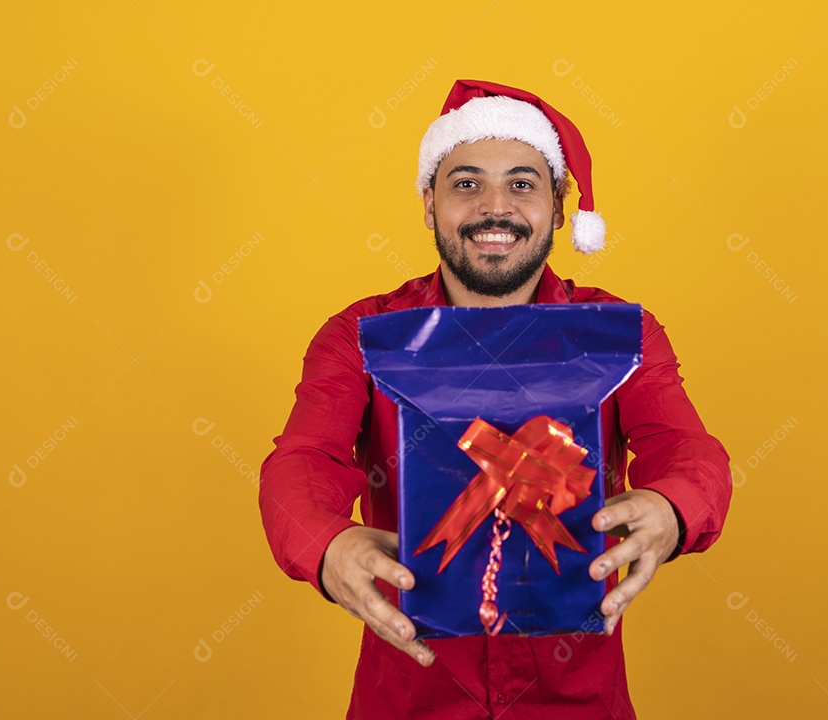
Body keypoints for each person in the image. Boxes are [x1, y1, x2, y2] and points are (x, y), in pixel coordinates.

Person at [259, 79, 732, 719]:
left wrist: (673, 507)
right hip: (410, 700)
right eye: (466, 183)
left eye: (521, 183)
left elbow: (685, 448)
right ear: (429, 204)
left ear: (559, 207)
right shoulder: (362, 337)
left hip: (578, 703)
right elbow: (302, 461)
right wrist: (327, 546)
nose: (494, 208)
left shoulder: (622, 333)